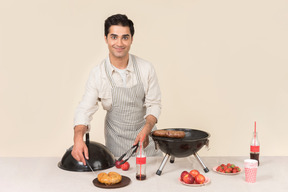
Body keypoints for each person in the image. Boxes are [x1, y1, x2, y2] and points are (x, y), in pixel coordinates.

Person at [71, 14, 162, 165]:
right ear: (106, 38)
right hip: (115, 151)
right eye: (114, 37)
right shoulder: (98, 74)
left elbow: (154, 104)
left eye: (125, 37)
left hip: (148, 147)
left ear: (131, 39)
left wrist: (147, 129)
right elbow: (85, 109)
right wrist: (78, 137)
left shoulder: (146, 68)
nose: (119, 43)